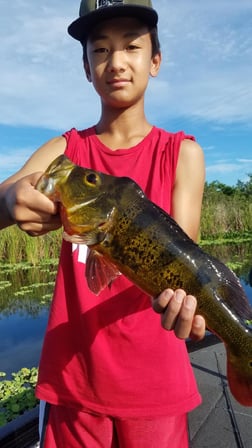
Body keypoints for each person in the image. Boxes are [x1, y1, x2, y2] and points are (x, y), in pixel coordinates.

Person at [0, 1, 206, 446]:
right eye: (100, 50)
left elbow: (184, 258)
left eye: (131, 46)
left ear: (155, 60)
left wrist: (190, 306)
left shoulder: (182, 154)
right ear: (85, 66)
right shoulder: (65, 152)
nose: (115, 62)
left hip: (158, 386)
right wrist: (12, 197)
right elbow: (5, 197)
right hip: (74, 385)